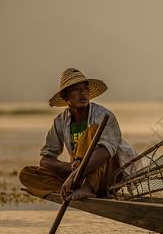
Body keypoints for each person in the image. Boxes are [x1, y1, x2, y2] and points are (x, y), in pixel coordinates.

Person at [19, 68, 137, 200]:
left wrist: (75, 175)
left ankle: (88, 187)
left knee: (92, 132)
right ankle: (68, 189)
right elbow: (45, 160)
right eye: (76, 89)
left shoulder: (103, 116)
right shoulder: (60, 122)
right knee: (27, 174)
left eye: (85, 88)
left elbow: (106, 152)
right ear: (65, 96)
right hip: (77, 177)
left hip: (108, 178)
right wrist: (69, 167)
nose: (83, 93)